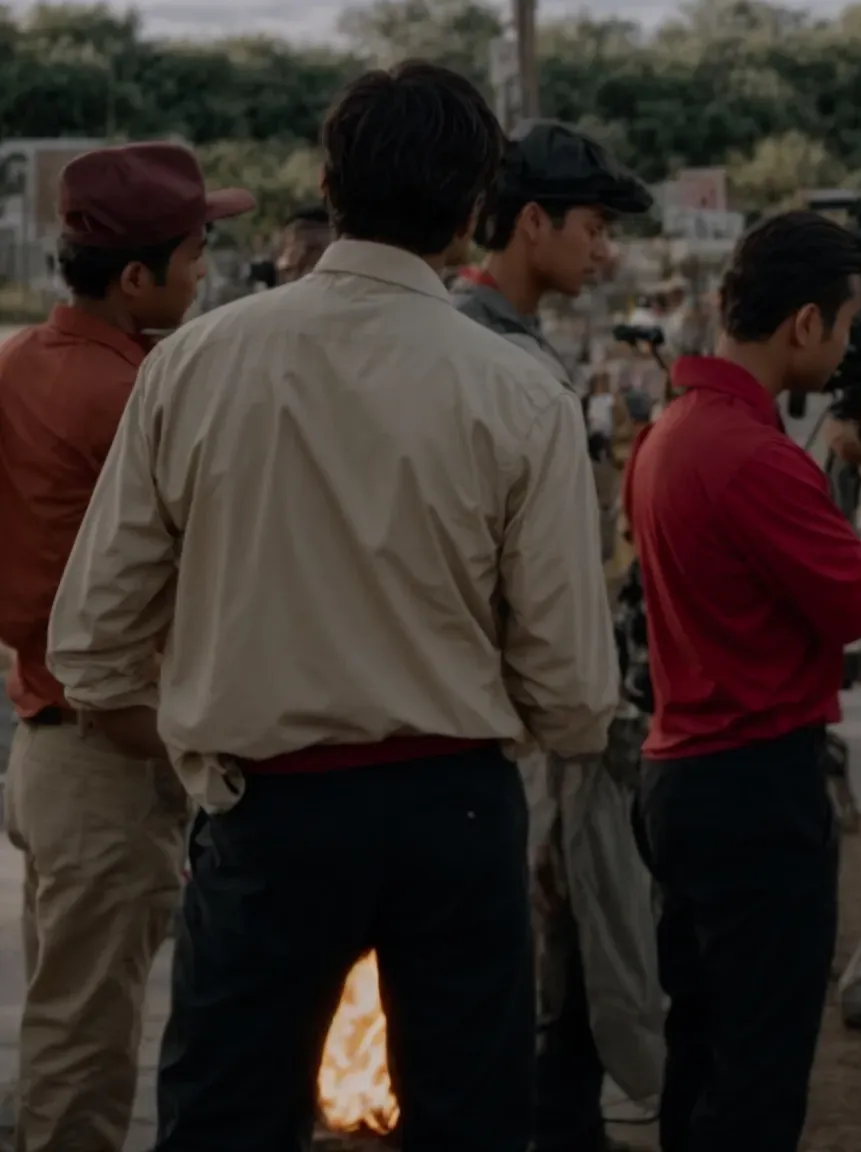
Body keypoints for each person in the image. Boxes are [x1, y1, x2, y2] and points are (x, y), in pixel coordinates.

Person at [47, 62, 619, 1150]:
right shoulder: (519, 393)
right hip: (455, 811)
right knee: (468, 1124)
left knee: (226, 1121)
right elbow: (572, 687)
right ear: (469, 210)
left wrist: (196, 735)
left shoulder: (198, 363)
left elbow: (92, 640)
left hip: (268, 813)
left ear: (328, 180)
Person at [627, 211, 861, 1150]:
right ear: (805, 324)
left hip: (683, 770)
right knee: (759, 1070)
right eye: (843, 327)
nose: (845, 349)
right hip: (753, 782)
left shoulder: (674, 430)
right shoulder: (752, 458)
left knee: (703, 1044)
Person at [0, 141, 249, 1152]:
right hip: (110, 743)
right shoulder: (133, 393)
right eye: (195, 254)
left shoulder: (23, 361)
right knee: (86, 1030)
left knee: (66, 998)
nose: (207, 273)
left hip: (46, 730)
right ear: (136, 276)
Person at [451, 118, 663, 1151]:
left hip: (521, 728)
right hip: (512, 735)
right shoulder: (487, 355)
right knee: (546, 989)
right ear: (529, 223)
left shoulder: (503, 344)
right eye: (589, 225)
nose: (603, 248)